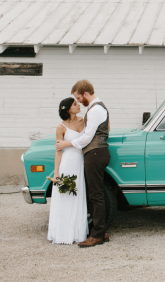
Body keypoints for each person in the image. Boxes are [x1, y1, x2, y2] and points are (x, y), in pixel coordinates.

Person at [56, 80, 110, 248]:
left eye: (78, 97)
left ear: (85, 94)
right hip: (96, 152)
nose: (78, 101)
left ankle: (97, 235)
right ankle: (102, 231)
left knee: (95, 195)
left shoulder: (95, 110)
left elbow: (87, 137)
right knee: (94, 194)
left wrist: (66, 144)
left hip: (95, 153)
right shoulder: (98, 108)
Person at [47, 97, 88, 245]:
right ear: (67, 109)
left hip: (81, 162)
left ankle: (78, 232)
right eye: (75, 104)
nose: (78, 105)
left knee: (79, 196)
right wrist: (56, 173)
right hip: (68, 163)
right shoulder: (61, 127)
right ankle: (64, 233)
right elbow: (59, 151)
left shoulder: (84, 121)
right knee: (67, 197)